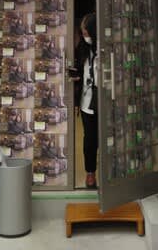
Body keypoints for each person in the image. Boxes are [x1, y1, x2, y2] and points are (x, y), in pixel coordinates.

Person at [73, 12, 98, 188]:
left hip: (105, 100)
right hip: (86, 101)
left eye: (87, 32)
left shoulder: (105, 48)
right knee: (90, 139)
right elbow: (77, 72)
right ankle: (90, 173)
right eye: (82, 33)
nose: (84, 36)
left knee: (105, 137)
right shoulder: (81, 49)